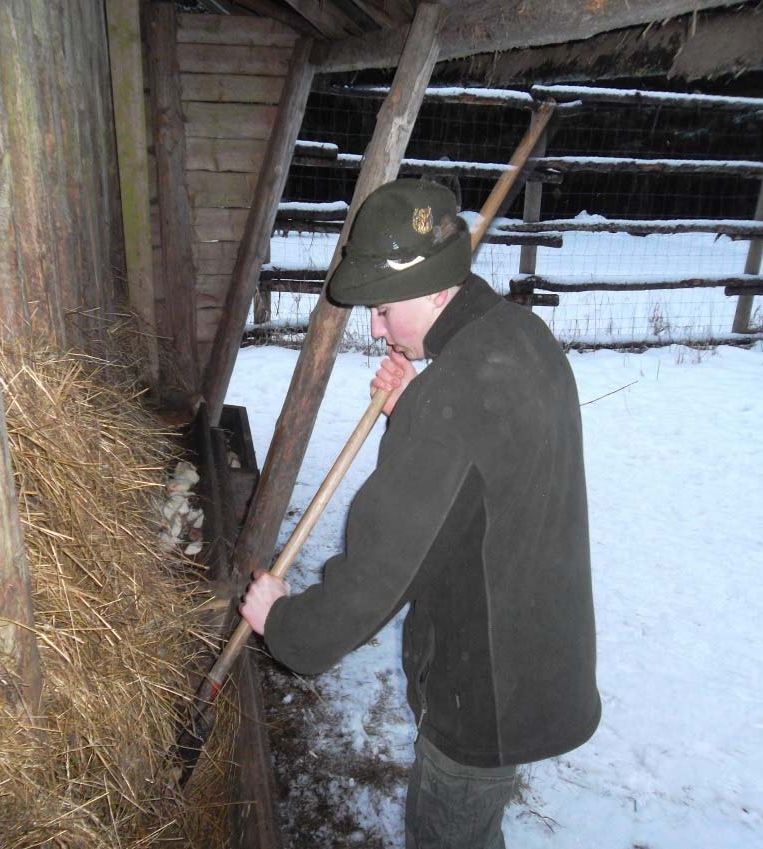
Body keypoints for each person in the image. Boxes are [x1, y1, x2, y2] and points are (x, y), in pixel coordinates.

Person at [240, 179, 600, 849]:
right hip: (534, 647)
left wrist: (286, 623)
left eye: (381, 310)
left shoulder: (454, 394)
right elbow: (480, 470)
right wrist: (419, 404)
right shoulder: (517, 335)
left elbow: (378, 568)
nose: (376, 328)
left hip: (482, 684)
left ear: (435, 291)